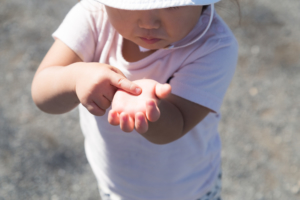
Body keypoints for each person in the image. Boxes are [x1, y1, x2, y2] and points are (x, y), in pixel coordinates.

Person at [31, 0, 238, 199]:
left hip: (185, 190)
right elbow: (42, 93)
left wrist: (149, 107)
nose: (148, 23)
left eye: (171, 5)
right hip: (114, 183)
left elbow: (177, 124)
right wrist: (76, 78)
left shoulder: (214, 45)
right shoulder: (93, 16)